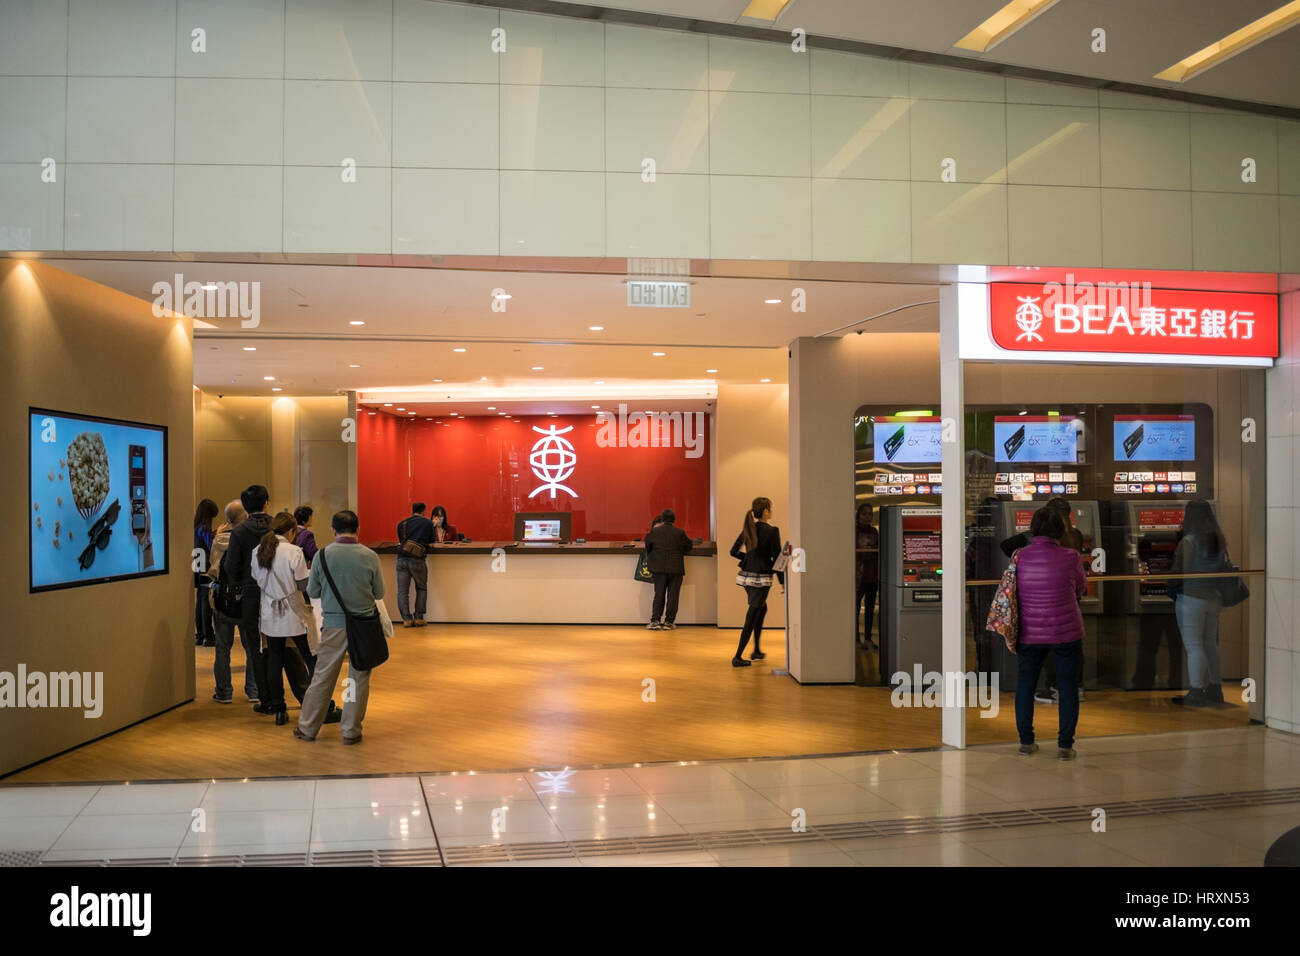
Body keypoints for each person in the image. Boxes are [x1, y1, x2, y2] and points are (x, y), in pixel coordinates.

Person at [296, 510, 385, 745]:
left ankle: (307, 728)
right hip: (363, 626)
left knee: (323, 676)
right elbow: (379, 593)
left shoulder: (322, 556)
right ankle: (350, 730)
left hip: (333, 625)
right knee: (358, 678)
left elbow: (313, 591)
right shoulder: (369, 556)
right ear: (358, 529)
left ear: (333, 530)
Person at [1013, 507, 1087, 760]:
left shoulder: (1020, 556)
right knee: (1067, 688)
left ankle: (1026, 742)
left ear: (1032, 529)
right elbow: (1080, 587)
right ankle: (1065, 745)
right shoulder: (1072, 556)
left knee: (1025, 686)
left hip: (1029, 632)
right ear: (1060, 530)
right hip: (1066, 631)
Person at [1000, 497, 1085, 704]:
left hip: (1036, 609)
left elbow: (1005, 545)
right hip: (1068, 603)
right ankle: (1074, 688)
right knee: (1069, 650)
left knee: (1041, 656)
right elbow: (1080, 583)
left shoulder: (1027, 543)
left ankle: (1051, 688)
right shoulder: (1076, 537)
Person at [250, 512, 316, 726]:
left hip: (269, 610)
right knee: (310, 656)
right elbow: (303, 584)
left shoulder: (257, 551)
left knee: (274, 659)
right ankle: (317, 703)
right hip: (293, 610)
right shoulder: (294, 551)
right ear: (291, 531)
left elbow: (256, 578)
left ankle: (279, 709)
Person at [1168, 500, 1229, 707]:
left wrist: (1171, 588)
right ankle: (1215, 688)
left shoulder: (1190, 541)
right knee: (1210, 644)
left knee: (1194, 646)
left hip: (1192, 599)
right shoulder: (1219, 539)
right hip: (1214, 598)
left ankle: (1195, 690)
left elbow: (1178, 571)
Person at [223, 484, 273, 715]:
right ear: (266, 503)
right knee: (278, 644)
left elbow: (231, 566)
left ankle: (263, 696)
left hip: (250, 593)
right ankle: (277, 691)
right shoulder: (277, 526)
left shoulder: (239, 532)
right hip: (277, 592)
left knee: (254, 646)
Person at [209, 499, 259, 704]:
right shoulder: (251, 540)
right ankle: (254, 690)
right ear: (245, 516)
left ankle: (224, 692)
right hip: (247, 599)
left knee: (222, 648)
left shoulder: (219, 539)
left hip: (223, 599)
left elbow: (213, 568)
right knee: (251, 647)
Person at [729, 496, 784, 667]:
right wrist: (783, 582)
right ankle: (738, 656)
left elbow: (733, 551)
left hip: (746, 577)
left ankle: (757, 650)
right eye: (770, 508)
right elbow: (777, 559)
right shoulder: (773, 531)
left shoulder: (749, 527)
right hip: (762, 578)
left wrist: (748, 559)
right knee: (752, 615)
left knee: (761, 608)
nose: (772, 511)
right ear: (766, 511)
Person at [644, 508, 693, 630]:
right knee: (673, 596)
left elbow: (648, 546)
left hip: (658, 568)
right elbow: (689, 546)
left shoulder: (654, 532)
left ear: (662, 518)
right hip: (676, 568)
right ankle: (669, 622)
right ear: (674, 520)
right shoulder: (680, 532)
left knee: (659, 594)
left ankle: (655, 621)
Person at [395, 502, 435, 628]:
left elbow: (402, 542)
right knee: (421, 588)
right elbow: (431, 542)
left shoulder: (402, 524)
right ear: (424, 511)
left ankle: (406, 619)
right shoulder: (428, 523)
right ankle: (418, 618)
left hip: (401, 559)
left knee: (402, 591)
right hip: (418, 560)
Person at [193, 498, 219, 647]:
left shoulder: (196, 527)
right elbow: (212, 547)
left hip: (197, 565)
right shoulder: (204, 528)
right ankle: (208, 635)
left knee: (200, 600)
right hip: (205, 567)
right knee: (206, 601)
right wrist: (217, 534)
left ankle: (200, 634)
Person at [855, 503, 879, 647]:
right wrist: (868, 551)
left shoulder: (874, 531)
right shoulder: (854, 531)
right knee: (856, 609)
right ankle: (856, 639)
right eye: (864, 514)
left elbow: (876, 550)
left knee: (870, 609)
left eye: (870, 514)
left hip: (872, 574)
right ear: (859, 515)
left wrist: (867, 551)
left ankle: (868, 638)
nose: (867, 516)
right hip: (858, 576)